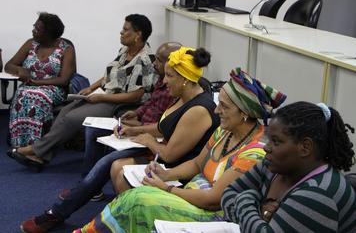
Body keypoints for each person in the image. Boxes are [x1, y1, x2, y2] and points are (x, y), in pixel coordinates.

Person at [20, 46, 221, 233]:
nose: (164, 81)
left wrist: (146, 139)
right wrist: (133, 131)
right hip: (160, 151)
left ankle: (60, 212)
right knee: (113, 164)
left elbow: (170, 155)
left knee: (108, 163)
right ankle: (119, 215)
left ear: (185, 79)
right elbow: (162, 128)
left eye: (169, 76)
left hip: (175, 167)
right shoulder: (184, 94)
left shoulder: (198, 110)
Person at [71, 68, 286, 233]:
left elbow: (213, 200)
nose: (217, 110)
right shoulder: (225, 131)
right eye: (218, 103)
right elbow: (196, 164)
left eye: (224, 107)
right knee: (136, 198)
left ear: (245, 114)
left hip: (212, 215)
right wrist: (166, 174)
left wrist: (166, 189)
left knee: (137, 201)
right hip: (193, 197)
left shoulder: (254, 152)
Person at [7, 14, 157, 170]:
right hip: (106, 95)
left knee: (72, 118)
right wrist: (91, 88)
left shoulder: (145, 60)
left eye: (125, 30)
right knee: (65, 110)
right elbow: (110, 75)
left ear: (138, 34)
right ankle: (41, 156)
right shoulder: (125, 50)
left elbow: (136, 95)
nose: (121, 32)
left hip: (121, 103)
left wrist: (99, 97)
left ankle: (35, 150)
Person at [221, 101, 356, 232]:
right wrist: (259, 212)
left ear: (305, 147)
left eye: (276, 141)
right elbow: (228, 195)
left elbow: (238, 199)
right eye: (268, 139)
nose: (267, 147)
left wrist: (245, 200)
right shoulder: (272, 166)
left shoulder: (317, 193)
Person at [80, 42, 180, 178]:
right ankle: (87, 177)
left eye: (159, 60)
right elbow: (151, 101)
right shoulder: (161, 79)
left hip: (149, 135)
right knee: (92, 130)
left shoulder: (175, 91)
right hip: (139, 126)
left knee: (108, 161)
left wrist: (138, 126)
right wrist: (136, 113)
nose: (154, 63)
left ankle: (89, 183)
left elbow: (163, 126)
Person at [5, 12, 76, 147]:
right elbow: (9, 65)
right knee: (22, 94)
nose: (33, 30)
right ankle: (19, 142)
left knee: (37, 97)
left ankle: (35, 146)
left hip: (54, 89)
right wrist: (19, 70)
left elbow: (64, 80)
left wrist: (37, 82)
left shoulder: (66, 49)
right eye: (34, 26)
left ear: (48, 33)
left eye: (38, 29)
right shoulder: (30, 44)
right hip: (28, 87)